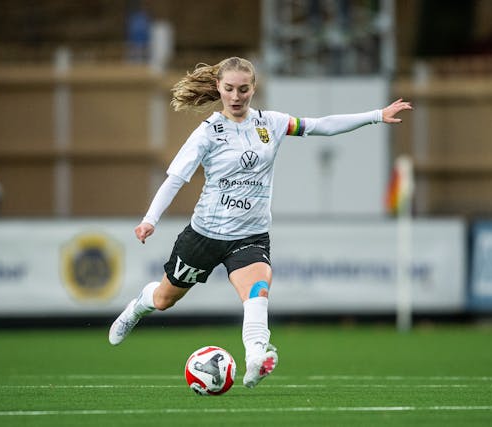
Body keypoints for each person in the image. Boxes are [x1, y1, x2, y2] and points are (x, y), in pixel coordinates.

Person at [108, 57, 412, 388]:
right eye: (229, 89)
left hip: (250, 236)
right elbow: (175, 179)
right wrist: (149, 220)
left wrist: (376, 116)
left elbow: (322, 125)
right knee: (164, 299)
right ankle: (136, 308)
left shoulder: (273, 123)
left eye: (243, 89)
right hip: (205, 235)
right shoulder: (207, 132)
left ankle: (256, 357)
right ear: (218, 88)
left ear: (253, 88)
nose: (236, 96)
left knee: (257, 290)